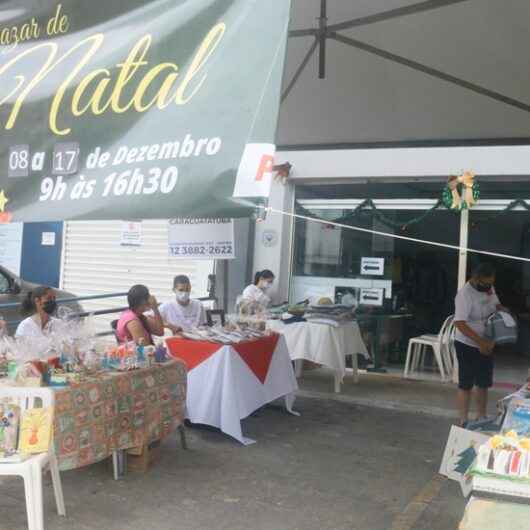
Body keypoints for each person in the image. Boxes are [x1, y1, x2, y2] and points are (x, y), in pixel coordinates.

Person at [454, 263, 506, 427]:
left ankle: (481, 416)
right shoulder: (464, 294)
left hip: (487, 340)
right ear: (475, 279)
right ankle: (463, 419)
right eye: (485, 283)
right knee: (466, 382)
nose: (488, 287)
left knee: (483, 382)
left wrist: (504, 312)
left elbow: (496, 304)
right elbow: (460, 323)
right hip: (467, 343)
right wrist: (480, 342)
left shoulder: (488, 288)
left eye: (491, 283)